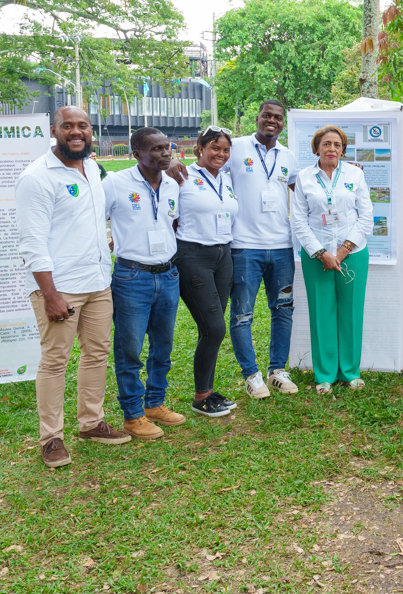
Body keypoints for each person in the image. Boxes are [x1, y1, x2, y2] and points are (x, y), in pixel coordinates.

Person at [17, 106, 129, 468]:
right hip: (61, 288)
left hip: (98, 282)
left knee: (96, 354)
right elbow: (32, 242)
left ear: (91, 131)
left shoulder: (92, 168)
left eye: (83, 126)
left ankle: (91, 422)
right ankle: (51, 438)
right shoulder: (37, 177)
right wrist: (50, 295)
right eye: (68, 126)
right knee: (55, 361)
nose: (76, 132)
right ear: (55, 130)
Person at [101, 127, 184, 440]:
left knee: (162, 347)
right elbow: (96, 219)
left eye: (168, 148)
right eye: (157, 149)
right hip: (131, 277)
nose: (165, 154)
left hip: (167, 274)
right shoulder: (116, 183)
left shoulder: (173, 185)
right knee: (130, 351)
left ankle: (155, 404)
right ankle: (133, 415)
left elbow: (171, 222)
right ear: (136, 154)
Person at [292, 126, 374, 393]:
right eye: (326, 144)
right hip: (317, 256)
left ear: (343, 150)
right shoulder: (304, 178)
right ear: (316, 148)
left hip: (353, 254)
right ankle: (325, 374)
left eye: (337, 145)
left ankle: (350, 372)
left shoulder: (355, 175)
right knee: (322, 312)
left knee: (351, 312)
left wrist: (343, 250)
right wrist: (321, 253)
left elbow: (366, 216)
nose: (332, 149)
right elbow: (299, 221)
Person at [227, 101, 300, 399]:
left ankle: (277, 371)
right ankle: (251, 375)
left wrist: (347, 170)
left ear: (283, 123)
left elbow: (305, 189)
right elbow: (205, 164)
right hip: (244, 248)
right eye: (267, 116)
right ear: (256, 118)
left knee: (283, 309)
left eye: (278, 118)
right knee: (242, 314)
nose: (272, 121)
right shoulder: (235, 147)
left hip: (282, 247)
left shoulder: (288, 156)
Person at [176, 127, 241, 418]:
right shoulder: (181, 176)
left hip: (223, 255)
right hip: (193, 255)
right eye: (215, 148)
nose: (221, 155)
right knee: (214, 328)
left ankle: (208, 390)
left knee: (211, 329)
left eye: (226, 150)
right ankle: (201, 396)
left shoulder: (225, 178)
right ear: (199, 148)